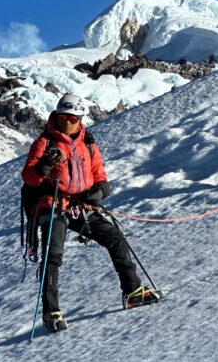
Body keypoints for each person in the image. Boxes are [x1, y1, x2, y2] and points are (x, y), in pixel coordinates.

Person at [21, 92, 159, 332]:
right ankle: (50, 312)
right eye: (63, 117)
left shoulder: (88, 144)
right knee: (53, 255)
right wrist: (44, 167)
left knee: (114, 238)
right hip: (52, 203)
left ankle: (132, 291)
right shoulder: (44, 143)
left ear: (80, 120)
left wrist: (99, 191)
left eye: (72, 119)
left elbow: (100, 176)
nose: (66, 123)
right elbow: (29, 177)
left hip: (81, 205)